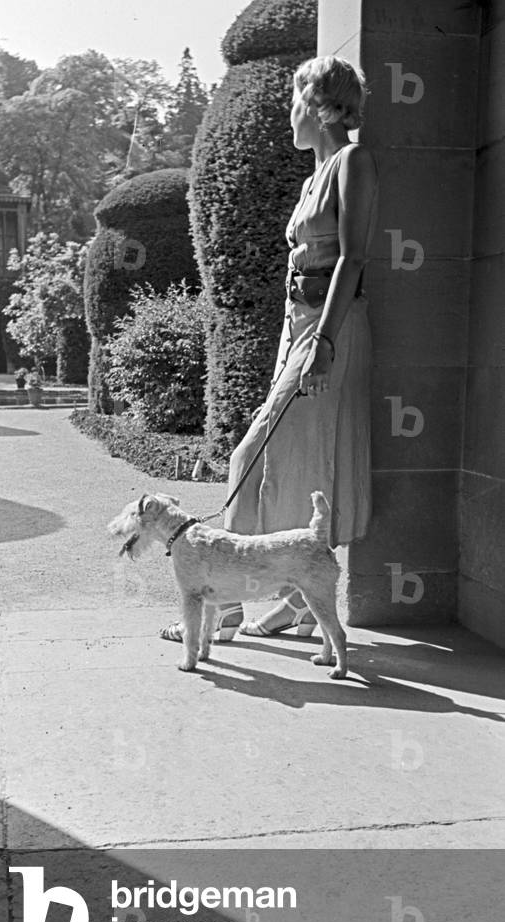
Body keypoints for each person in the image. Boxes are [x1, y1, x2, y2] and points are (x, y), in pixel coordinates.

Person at [160, 54, 378, 645]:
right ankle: (296, 603)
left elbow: (352, 260)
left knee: (260, 458)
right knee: (280, 467)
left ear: (318, 104)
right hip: (298, 324)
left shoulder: (352, 162)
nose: (289, 113)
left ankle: (225, 607)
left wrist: (324, 342)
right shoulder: (313, 176)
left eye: (294, 100)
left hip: (328, 329)